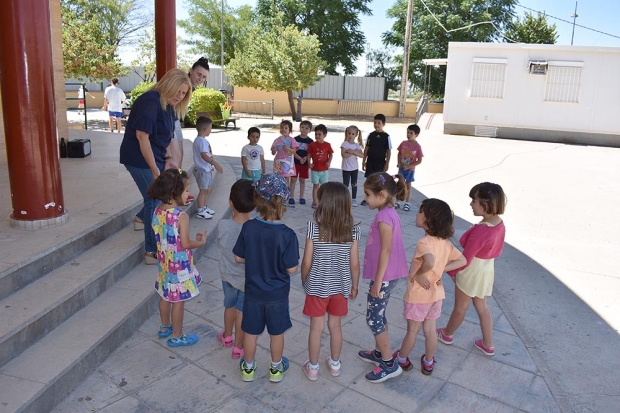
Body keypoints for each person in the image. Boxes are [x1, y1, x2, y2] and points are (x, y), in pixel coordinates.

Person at [120, 69, 192, 264]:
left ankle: (139, 219)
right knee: (154, 197)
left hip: (155, 155)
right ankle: (151, 251)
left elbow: (163, 137)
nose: (180, 96)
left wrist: (168, 158)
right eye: (178, 90)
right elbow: (142, 137)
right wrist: (154, 170)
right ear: (168, 84)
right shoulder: (150, 101)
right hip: (138, 157)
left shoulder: (169, 105)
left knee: (157, 194)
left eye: (184, 93)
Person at [233, 173, 299, 383]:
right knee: (276, 333)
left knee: (251, 332)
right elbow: (292, 269)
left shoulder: (249, 227)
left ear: (257, 200)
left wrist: (255, 259)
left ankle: (248, 369)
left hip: (253, 292)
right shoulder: (288, 235)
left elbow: (238, 257)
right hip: (277, 295)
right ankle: (276, 369)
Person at [392, 199, 466, 375]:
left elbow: (430, 261)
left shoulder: (424, 243)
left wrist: (419, 274)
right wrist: (440, 271)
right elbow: (462, 260)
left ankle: (402, 359)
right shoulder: (445, 243)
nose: (417, 214)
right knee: (430, 330)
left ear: (428, 219)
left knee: (413, 331)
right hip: (436, 295)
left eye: (420, 212)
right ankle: (428, 362)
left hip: (419, 295)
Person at [436, 183, 507, 356]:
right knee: (482, 307)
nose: (470, 204)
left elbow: (464, 260)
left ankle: (447, 334)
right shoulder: (499, 224)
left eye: (474, 201)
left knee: (461, 306)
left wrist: (448, 271)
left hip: (470, 271)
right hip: (485, 271)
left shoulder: (481, 231)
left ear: (486, 204)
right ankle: (488, 344)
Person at [300, 182, 360, 381]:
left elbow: (307, 261)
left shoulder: (313, 228)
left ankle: (313, 368)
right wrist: (355, 285)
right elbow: (355, 264)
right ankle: (335, 364)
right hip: (341, 287)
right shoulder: (351, 231)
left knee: (316, 328)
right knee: (336, 326)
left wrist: (304, 279)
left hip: (317, 286)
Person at [357, 172, 409, 383]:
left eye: (368, 194)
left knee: (373, 318)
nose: (365, 199)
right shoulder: (388, 211)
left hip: (384, 276)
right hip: (388, 275)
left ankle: (388, 363)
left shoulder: (384, 217)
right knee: (380, 313)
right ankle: (379, 353)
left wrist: (378, 281)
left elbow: (386, 250)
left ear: (381, 194)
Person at [146, 168, 206, 347]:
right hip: (179, 267)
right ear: (174, 193)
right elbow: (186, 243)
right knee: (178, 301)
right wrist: (201, 242)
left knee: (165, 296)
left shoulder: (157, 211)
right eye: (186, 190)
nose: (188, 194)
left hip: (164, 265)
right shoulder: (181, 216)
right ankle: (177, 336)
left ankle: (165, 327)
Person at [216, 179, 256, 359]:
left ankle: (227, 336)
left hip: (228, 277)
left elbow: (222, 245)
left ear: (230, 202)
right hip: (247, 279)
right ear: (254, 205)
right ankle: (238, 347)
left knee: (229, 305)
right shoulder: (255, 229)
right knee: (242, 311)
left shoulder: (223, 225)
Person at [171, 57, 210, 203]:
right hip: (169, 121)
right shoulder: (183, 82)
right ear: (191, 70)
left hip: (174, 120)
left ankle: (180, 191)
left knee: (178, 157)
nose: (200, 79)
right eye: (199, 74)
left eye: (204, 77)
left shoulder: (190, 86)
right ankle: (177, 192)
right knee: (175, 158)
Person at [193, 116, 223, 219]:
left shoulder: (202, 140)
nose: (211, 130)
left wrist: (210, 165)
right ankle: (200, 210)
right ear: (206, 129)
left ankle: (204, 207)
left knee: (208, 189)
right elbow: (204, 155)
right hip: (202, 170)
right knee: (203, 190)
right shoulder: (201, 141)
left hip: (206, 169)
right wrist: (215, 163)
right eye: (210, 128)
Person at [360, 114, 391, 206]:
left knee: (380, 181)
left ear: (383, 124)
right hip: (370, 162)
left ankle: (380, 198)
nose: (376, 125)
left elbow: (389, 151)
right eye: (375, 122)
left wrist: (387, 164)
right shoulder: (371, 135)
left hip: (380, 163)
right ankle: (366, 199)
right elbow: (366, 149)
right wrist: (364, 161)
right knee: (369, 181)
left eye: (379, 123)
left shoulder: (386, 137)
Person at [396, 124, 423, 211]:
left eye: (411, 133)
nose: (408, 134)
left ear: (416, 135)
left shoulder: (417, 147)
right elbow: (399, 153)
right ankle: (398, 201)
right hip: (401, 169)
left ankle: (407, 203)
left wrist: (409, 166)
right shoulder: (403, 143)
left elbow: (419, 160)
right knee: (400, 184)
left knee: (408, 185)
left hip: (410, 170)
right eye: (407, 132)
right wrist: (399, 163)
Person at [271, 120, 299, 201]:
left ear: (290, 130)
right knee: (278, 179)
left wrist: (288, 148)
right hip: (278, 163)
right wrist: (273, 150)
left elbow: (294, 150)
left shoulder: (292, 140)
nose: (283, 129)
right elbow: (273, 152)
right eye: (282, 128)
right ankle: (278, 194)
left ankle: (286, 194)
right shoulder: (277, 140)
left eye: (286, 128)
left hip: (287, 163)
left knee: (286, 179)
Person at [307, 124, 333, 209]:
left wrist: (329, 162)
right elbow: (309, 155)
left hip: (324, 170)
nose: (317, 136)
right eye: (316, 134)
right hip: (315, 169)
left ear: (324, 135)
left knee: (324, 187)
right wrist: (309, 163)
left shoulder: (327, 145)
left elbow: (330, 154)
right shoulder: (312, 145)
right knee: (315, 186)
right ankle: (314, 201)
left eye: (319, 134)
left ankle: (323, 201)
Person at [290, 120, 313, 205]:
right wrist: (299, 158)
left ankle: (301, 197)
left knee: (302, 180)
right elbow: (293, 151)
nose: (304, 129)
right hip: (295, 162)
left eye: (306, 128)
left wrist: (306, 158)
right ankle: (291, 196)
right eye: (302, 127)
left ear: (309, 130)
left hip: (305, 164)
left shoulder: (311, 141)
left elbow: (310, 153)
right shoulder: (295, 139)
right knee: (293, 180)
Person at [341, 125, 364, 207]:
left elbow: (362, 155)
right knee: (345, 184)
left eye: (353, 134)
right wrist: (353, 152)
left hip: (354, 168)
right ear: (346, 133)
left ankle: (354, 198)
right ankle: (344, 199)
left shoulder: (356, 146)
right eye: (349, 133)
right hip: (346, 168)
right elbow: (343, 155)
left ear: (356, 135)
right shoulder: (344, 144)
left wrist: (352, 152)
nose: (350, 135)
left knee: (354, 183)